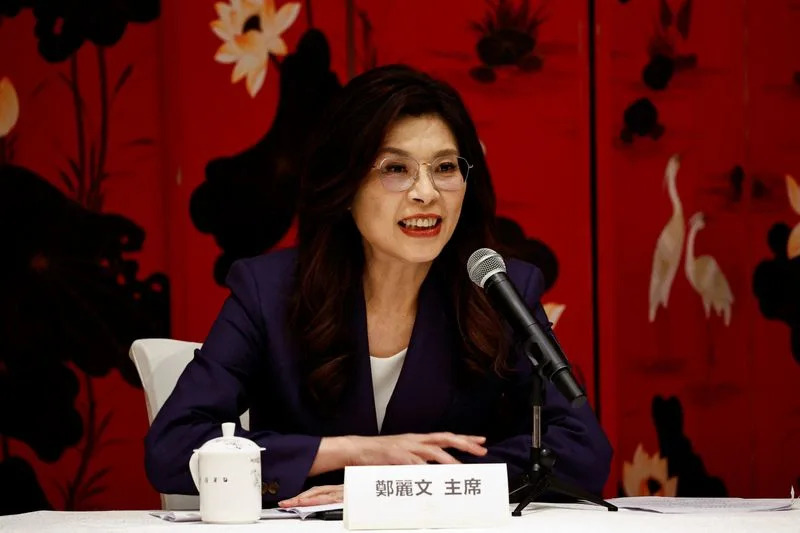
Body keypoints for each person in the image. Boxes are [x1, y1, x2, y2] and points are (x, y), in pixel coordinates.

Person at [144, 64, 612, 508]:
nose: (426, 192)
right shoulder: (268, 291)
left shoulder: (499, 290)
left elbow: (583, 452)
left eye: (445, 168)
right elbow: (174, 448)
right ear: (345, 187)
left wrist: (407, 487)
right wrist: (353, 452)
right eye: (395, 169)